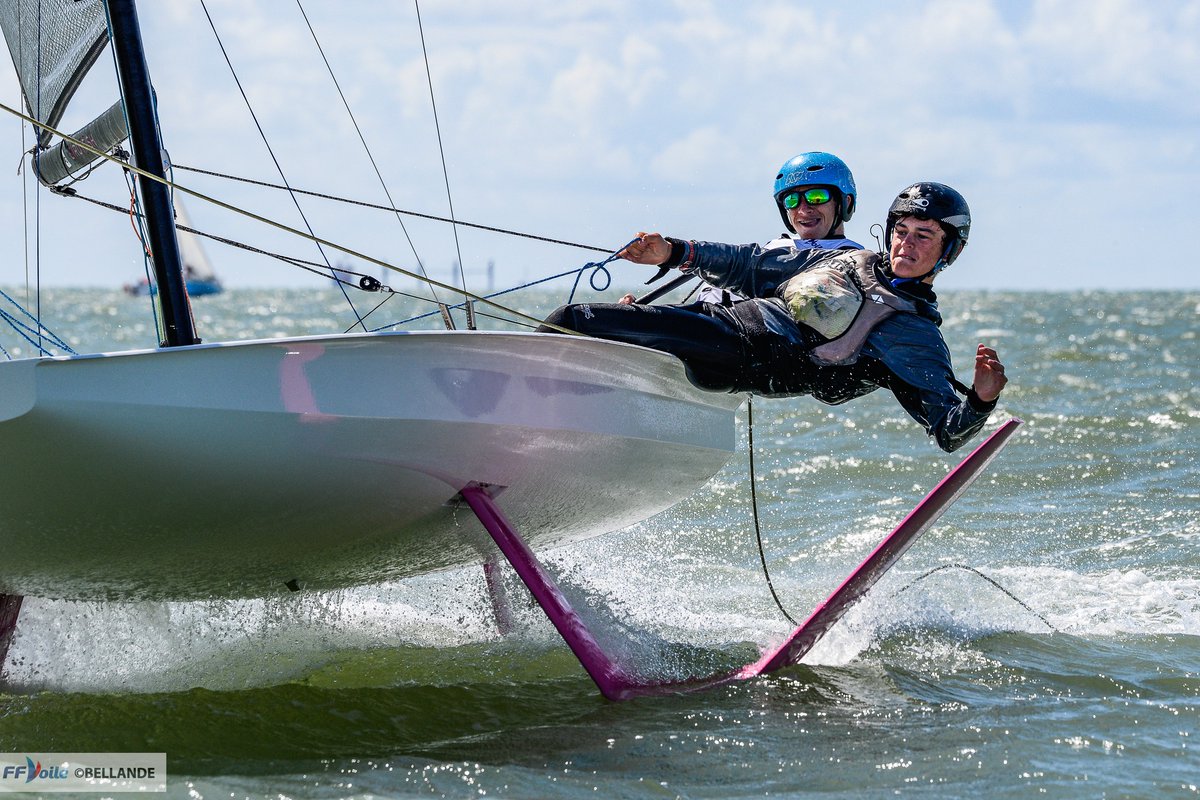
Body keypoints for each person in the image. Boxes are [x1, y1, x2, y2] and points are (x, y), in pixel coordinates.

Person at [539, 182, 1007, 453]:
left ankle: (520, 426)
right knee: (596, 328)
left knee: (574, 318)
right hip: (716, 323)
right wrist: (673, 251)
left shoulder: (913, 331)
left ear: (949, 250)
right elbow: (747, 263)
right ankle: (552, 431)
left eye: (924, 236)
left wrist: (982, 400)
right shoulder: (846, 260)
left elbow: (948, 429)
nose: (906, 244)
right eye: (901, 231)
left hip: (744, 356)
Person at [618, 151, 861, 305]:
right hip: (721, 334)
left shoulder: (856, 261)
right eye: (792, 200)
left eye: (817, 197)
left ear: (845, 202)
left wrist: (674, 253)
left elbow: (746, 265)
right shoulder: (776, 248)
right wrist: (643, 316)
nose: (803, 209)